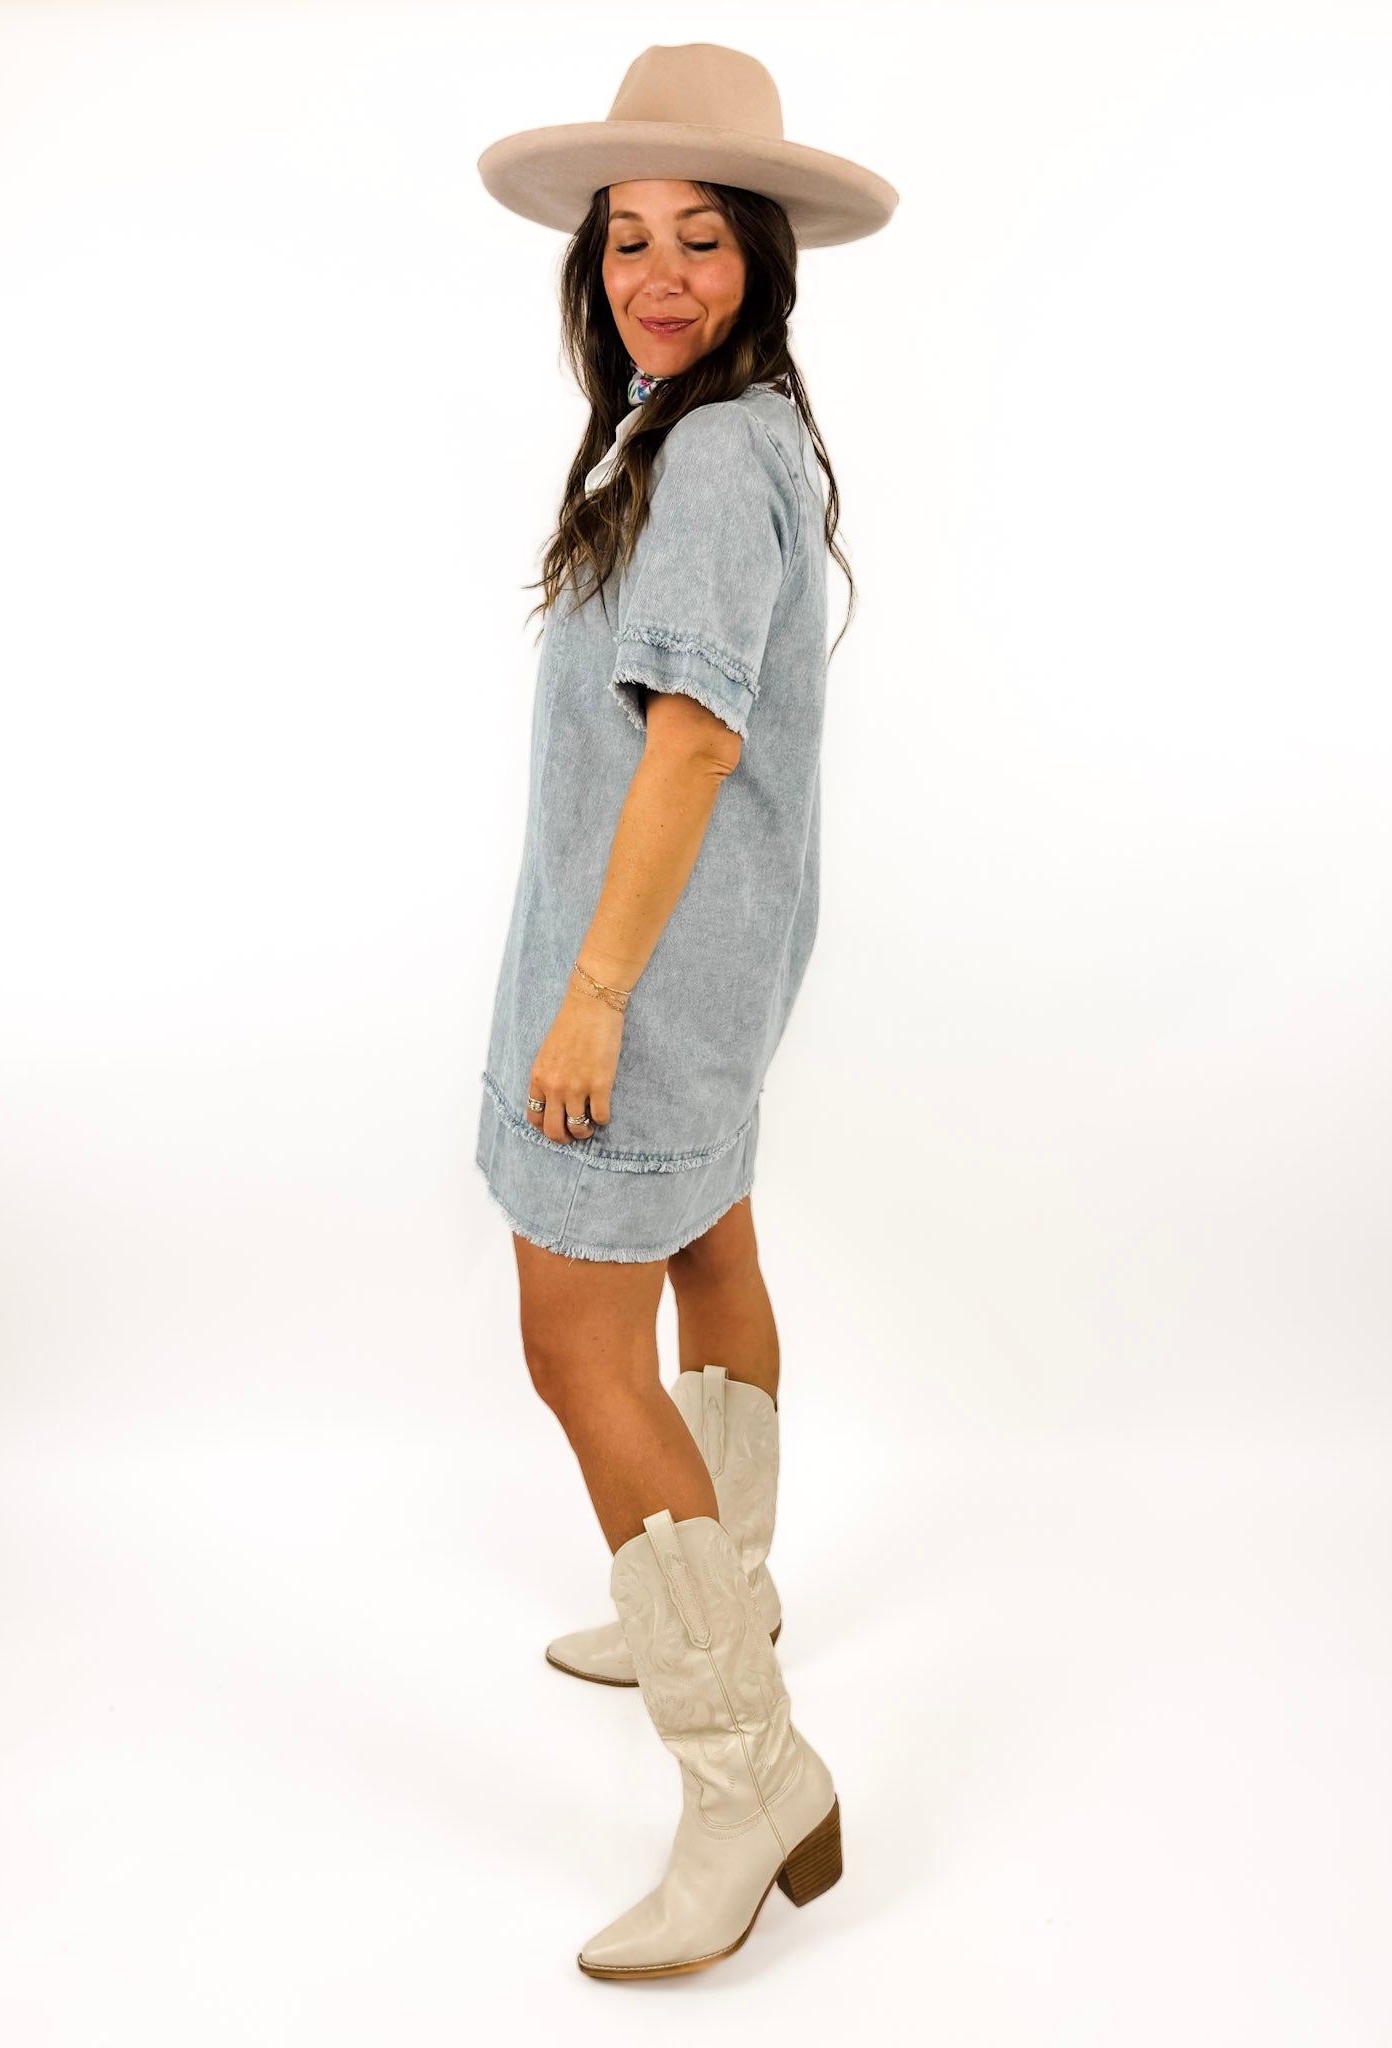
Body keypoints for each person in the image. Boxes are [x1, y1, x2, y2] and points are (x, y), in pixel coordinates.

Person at [474, 42, 898, 1979]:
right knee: (712, 1239)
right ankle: (721, 1582)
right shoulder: (718, 426)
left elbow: (695, 741)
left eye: (701, 238)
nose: (657, 274)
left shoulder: (715, 455)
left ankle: (748, 1776)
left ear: (763, 261)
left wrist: (592, 1001)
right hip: (715, 956)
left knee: (578, 1344)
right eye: (628, 237)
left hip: (647, 976)